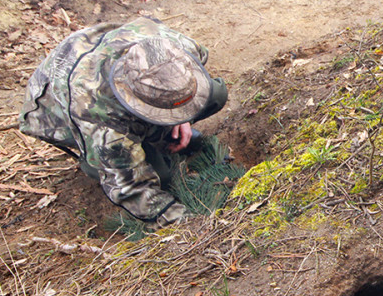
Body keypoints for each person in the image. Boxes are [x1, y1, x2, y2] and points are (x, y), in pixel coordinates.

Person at [19, 16, 228, 227]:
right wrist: (191, 226)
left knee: (215, 94)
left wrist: (180, 117)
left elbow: (192, 67)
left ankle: (157, 132)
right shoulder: (96, 110)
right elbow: (131, 190)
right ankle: (94, 159)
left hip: (102, 47)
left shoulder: (176, 46)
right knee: (158, 174)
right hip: (53, 110)